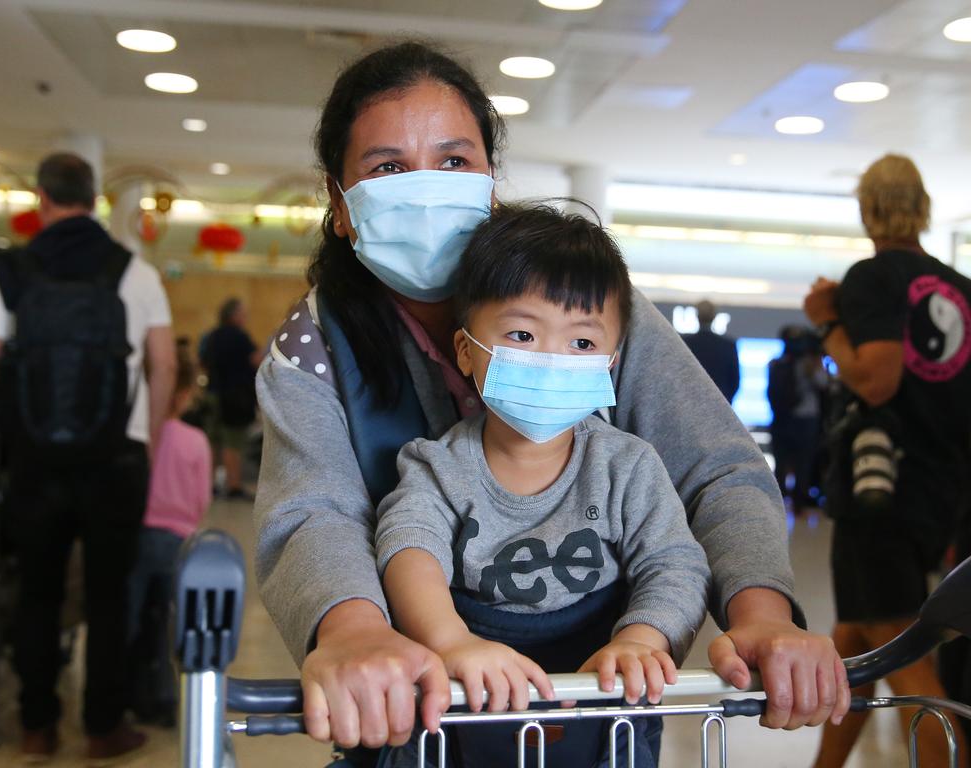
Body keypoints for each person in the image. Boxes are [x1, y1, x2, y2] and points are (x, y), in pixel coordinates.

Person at [253, 41, 848, 762]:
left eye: (453, 161)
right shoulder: (318, 343)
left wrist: (761, 613)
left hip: (595, 698)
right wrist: (354, 632)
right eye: (386, 168)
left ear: (490, 182)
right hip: (426, 699)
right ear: (340, 205)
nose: (426, 187)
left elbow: (714, 467)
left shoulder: (585, 301)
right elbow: (315, 511)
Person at [374, 204, 710, 767]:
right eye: (524, 333)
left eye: (581, 344)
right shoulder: (436, 466)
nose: (552, 360)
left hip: (602, 708)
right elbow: (409, 549)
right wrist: (453, 642)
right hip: (466, 707)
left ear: (611, 362)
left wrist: (643, 639)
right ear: (466, 351)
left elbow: (674, 563)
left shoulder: (627, 466)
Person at [0, 152, 176, 762]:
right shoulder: (135, 270)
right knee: (109, 594)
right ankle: (102, 727)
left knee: (38, 593)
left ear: (42, 200)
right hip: (115, 459)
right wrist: (146, 445)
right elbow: (163, 365)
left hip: (35, 458)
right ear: (94, 199)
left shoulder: (14, 270)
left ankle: (36, 727)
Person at [805, 153, 970, 768]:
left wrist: (827, 324)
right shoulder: (962, 288)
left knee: (904, 658)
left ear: (867, 207)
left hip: (880, 491)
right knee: (856, 643)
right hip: (939, 492)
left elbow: (875, 380)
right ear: (921, 206)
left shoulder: (870, 280)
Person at [126, 347, 212, 726]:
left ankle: (122, 694)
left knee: (129, 618)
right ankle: (164, 699)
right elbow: (200, 500)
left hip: (137, 536)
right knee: (169, 622)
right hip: (178, 543)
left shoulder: (139, 437)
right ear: (183, 394)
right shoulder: (195, 440)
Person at [202, 297, 263, 499]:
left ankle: (209, 485)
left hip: (212, 393)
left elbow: (203, 361)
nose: (245, 317)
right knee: (233, 442)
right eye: (242, 313)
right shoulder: (239, 337)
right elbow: (256, 360)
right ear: (234, 315)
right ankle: (233, 485)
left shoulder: (211, 336)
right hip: (235, 397)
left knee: (213, 441)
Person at [767, 326, 828, 512]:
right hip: (798, 419)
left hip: (791, 419)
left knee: (792, 461)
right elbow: (823, 384)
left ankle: (788, 500)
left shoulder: (779, 363)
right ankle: (791, 502)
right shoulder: (785, 364)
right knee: (796, 461)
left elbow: (822, 384)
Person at [681, 299, 740, 403]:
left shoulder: (684, 342)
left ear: (697, 316)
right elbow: (734, 382)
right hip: (721, 404)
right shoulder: (728, 345)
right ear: (714, 317)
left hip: (690, 403)